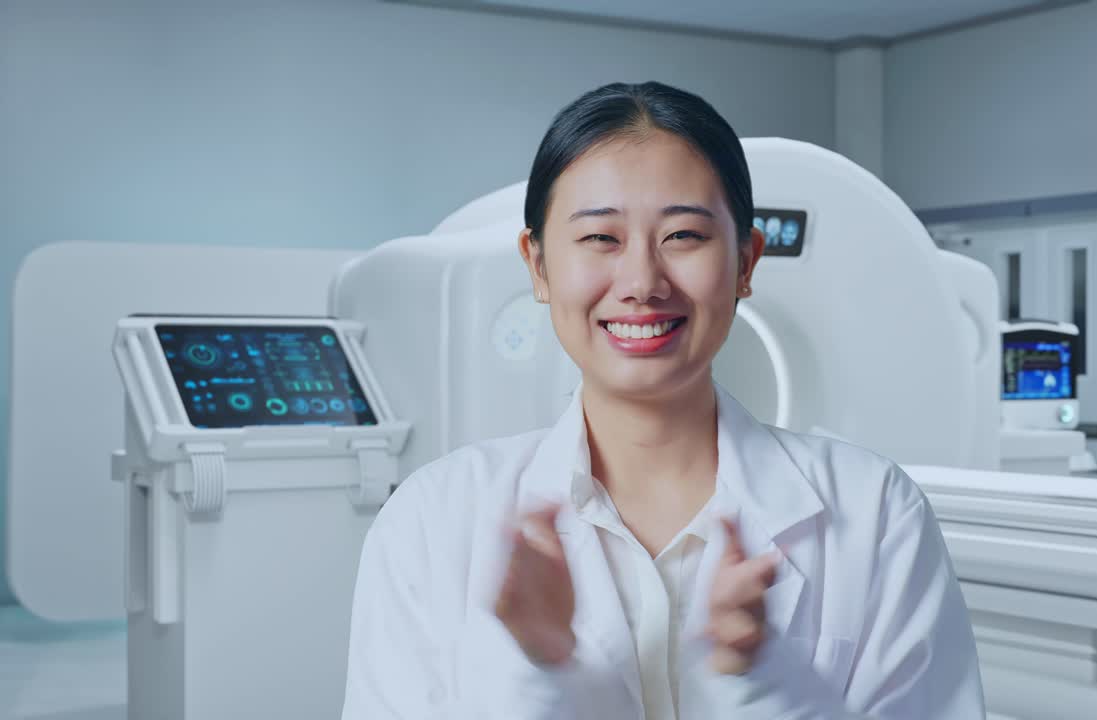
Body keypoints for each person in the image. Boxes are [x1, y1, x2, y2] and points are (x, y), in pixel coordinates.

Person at [341, 81, 985, 719]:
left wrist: (767, 685)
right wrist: (543, 674)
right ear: (537, 266)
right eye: (601, 239)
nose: (642, 283)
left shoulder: (875, 513)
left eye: (683, 236)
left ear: (745, 262)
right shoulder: (433, 520)